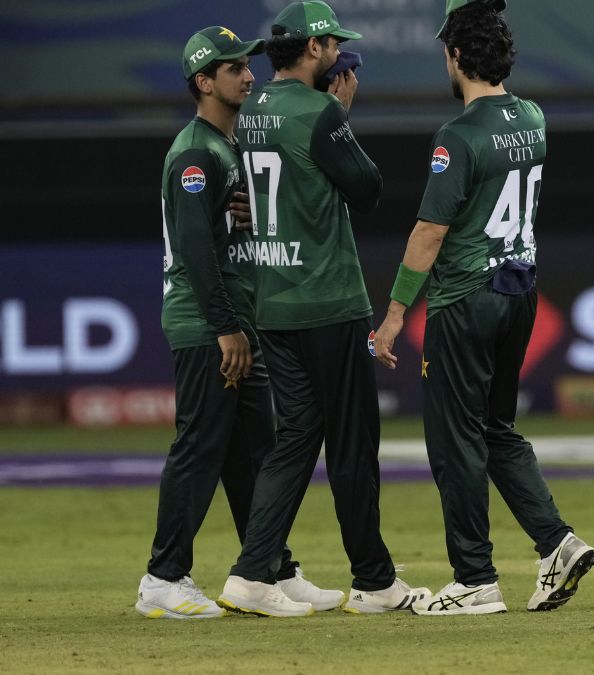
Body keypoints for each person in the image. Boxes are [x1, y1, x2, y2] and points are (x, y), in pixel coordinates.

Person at [371, 0, 594, 616]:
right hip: (519, 294)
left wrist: (395, 314)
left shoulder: (458, 136)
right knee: (497, 428)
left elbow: (430, 232)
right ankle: (557, 542)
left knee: (455, 441)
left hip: (466, 299)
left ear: (454, 55)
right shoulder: (533, 117)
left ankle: (475, 578)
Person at [215, 1, 428, 617]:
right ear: (313, 49)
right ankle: (375, 581)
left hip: (274, 303)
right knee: (354, 444)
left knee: (295, 440)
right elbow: (368, 189)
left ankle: (252, 573)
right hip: (328, 301)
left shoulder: (252, 108)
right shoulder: (319, 112)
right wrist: (341, 117)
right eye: (333, 44)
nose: (339, 56)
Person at [138, 25, 342, 619]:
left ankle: (272, 568)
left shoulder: (223, 147)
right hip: (209, 324)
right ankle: (162, 578)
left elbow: (216, 234)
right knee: (200, 447)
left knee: (256, 451)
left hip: (233, 322)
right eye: (234, 69)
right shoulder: (196, 153)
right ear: (204, 82)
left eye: (247, 66)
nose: (249, 76)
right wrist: (226, 326)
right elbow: (194, 252)